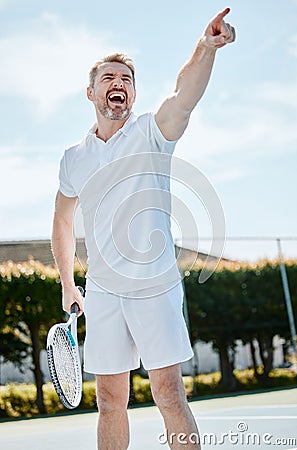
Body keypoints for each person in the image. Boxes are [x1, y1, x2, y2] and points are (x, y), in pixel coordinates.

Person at [51, 8, 235, 449]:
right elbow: (61, 219)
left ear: (132, 92)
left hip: (155, 285)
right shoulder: (74, 157)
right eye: (110, 77)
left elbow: (184, 95)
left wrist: (206, 47)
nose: (119, 83)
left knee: (168, 393)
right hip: (104, 291)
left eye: (127, 79)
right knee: (110, 400)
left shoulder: (153, 132)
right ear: (91, 91)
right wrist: (66, 283)